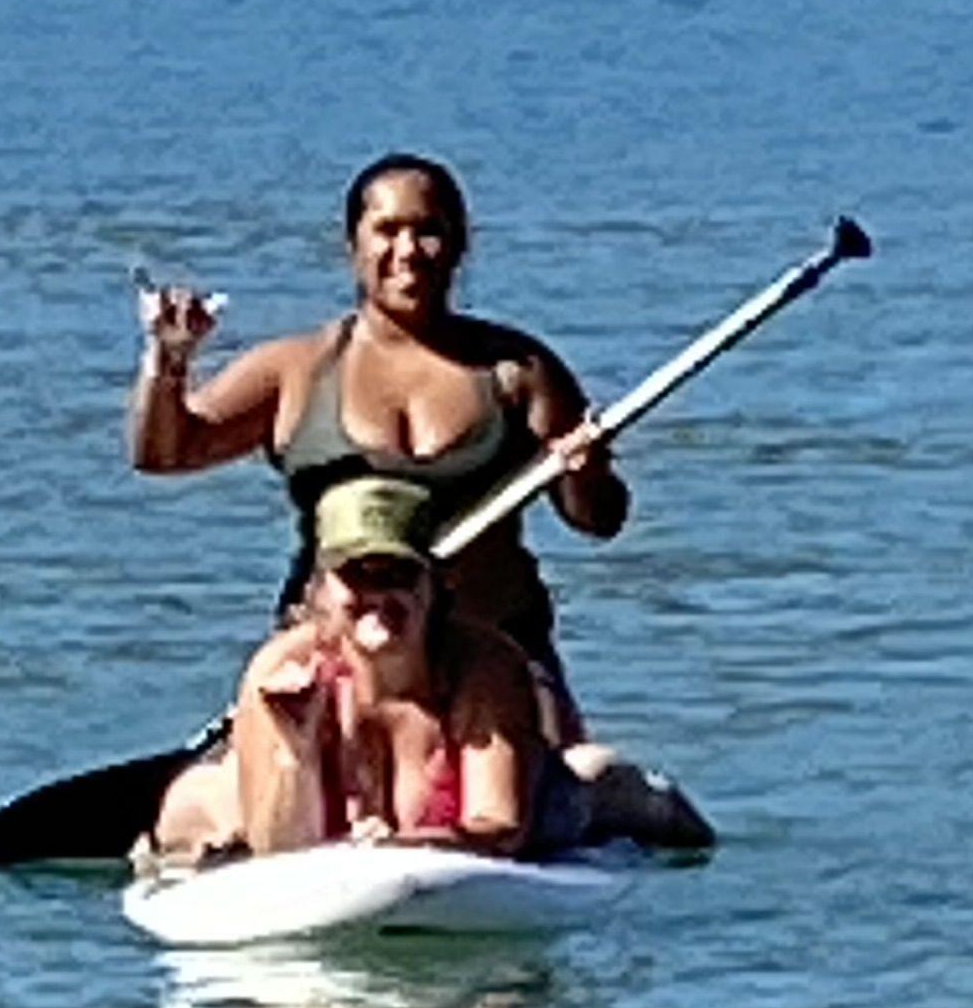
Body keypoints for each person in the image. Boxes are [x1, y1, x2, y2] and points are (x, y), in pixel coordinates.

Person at [129, 153, 713, 857]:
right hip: (345, 650)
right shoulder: (299, 368)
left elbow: (600, 519)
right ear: (354, 246)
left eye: (430, 231)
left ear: (460, 246)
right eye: (388, 230)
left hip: (493, 654)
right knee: (240, 816)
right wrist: (168, 363)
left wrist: (585, 470)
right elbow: (167, 453)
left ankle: (606, 796)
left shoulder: (517, 371)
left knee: (529, 813)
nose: (408, 251)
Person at [213, 478, 589, 861]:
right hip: (332, 846)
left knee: (594, 776)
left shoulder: (485, 667)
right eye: (356, 574)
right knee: (204, 803)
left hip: (531, 815)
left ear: (435, 585)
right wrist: (297, 749)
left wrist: (391, 850)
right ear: (321, 590)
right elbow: (276, 854)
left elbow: (499, 827)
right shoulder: (280, 670)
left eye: (399, 574)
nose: (378, 595)